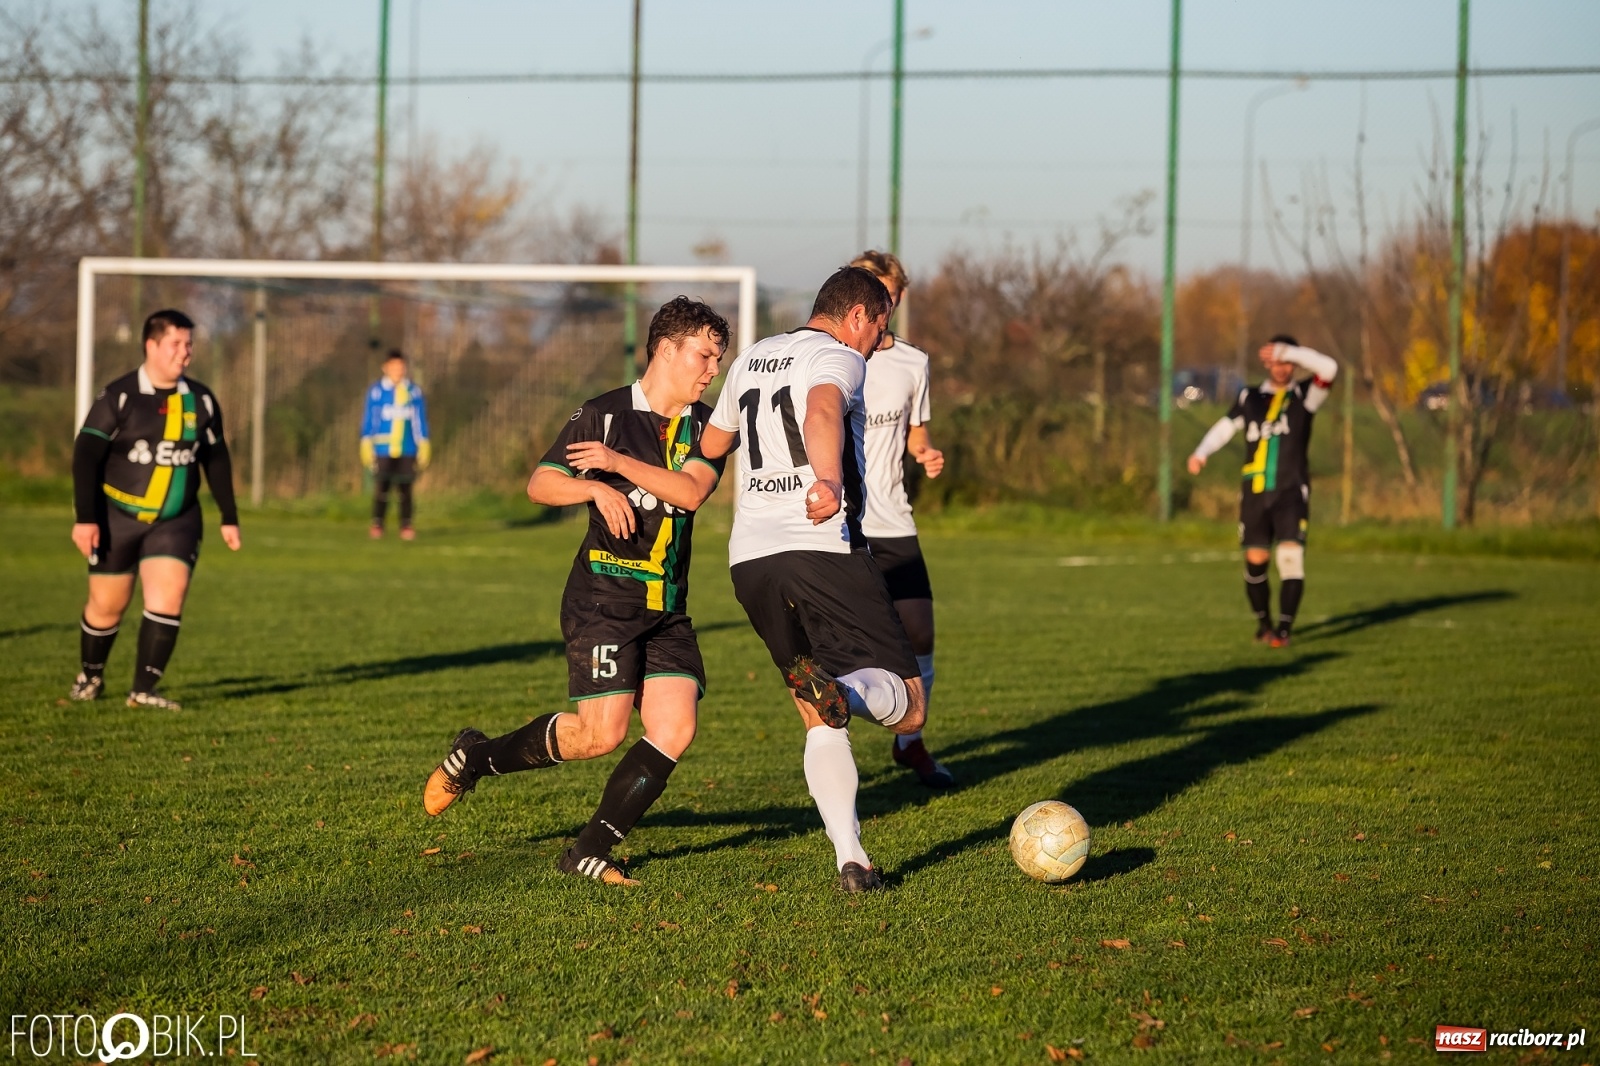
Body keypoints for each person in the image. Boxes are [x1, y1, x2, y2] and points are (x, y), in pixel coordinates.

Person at [573, 267, 926, 893]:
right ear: (857, 318)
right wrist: (827, 480)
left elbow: (710, 445)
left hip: (750, 562)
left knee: (818, 715)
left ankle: (853, 858)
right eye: (879, 326)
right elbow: (820, 409)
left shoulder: (755, 359)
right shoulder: (840, 357)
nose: (879, 341)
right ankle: (846, 687)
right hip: (821, 548)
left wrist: (650, 471)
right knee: (906, 704)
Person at [421, 297, 730, 888]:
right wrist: (592, 491)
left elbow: (689, 493)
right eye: (704, 355)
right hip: (603, 601)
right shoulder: (603, 413)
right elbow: (541, 484)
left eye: (717, 357)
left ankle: (588, 852)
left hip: (665, 607)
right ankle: (475, 758)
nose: (712, 368)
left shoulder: (707, 429)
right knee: (600, 735)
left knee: (675, 729)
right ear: (666, 350)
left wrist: (615, 468)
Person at [68, 309, 241, 711]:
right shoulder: (120, 396)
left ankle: (143, 690)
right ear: (151, 345)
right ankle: (91, 675)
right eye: (176, 344)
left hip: (177, 519)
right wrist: (85, 518)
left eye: (189, 344)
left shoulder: (201, 399)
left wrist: (229, 516)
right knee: (107, 606)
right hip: (116, 518)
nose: (186, 353)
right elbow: (86, 456)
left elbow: (216, 459)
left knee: (169, 597)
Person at [849, 250, 953, 789]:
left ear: (897, 297)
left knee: (921, 632)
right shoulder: (834, 358)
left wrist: (925, 454)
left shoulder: (914, 363)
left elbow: (917, 432)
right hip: (841, 524)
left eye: (882, 292)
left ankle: (909, 744)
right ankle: (831, 751)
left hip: (894, 521)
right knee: (842, 646)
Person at [1187, 335, 1339, 646]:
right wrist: (1202, 452)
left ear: (1293, 363)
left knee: (1289, 558)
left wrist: (1291, 351)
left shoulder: (1304, 397)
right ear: (1266, 362)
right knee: (1256, 561)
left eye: (1287, 361)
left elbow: (1330, 368)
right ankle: (1264, 624)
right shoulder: (1250, 397)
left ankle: (1283, 631)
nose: (1281, 367)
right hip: (1255, 493)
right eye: (1276, 360)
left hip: (1291, 493)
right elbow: (1226, 427)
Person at [360, 350, 431, 540]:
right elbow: (370, 418)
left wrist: (424, 443)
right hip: (383, 449)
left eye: (401, 367)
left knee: (405, 489)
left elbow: (419, 420)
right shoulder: (376, 391)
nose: (397, 371)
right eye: (394, 367)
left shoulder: (413, 391)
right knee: (382, 487)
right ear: (386, 368)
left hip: (407, 448)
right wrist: (366, 441)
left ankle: (406, 525)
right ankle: (378, 523)